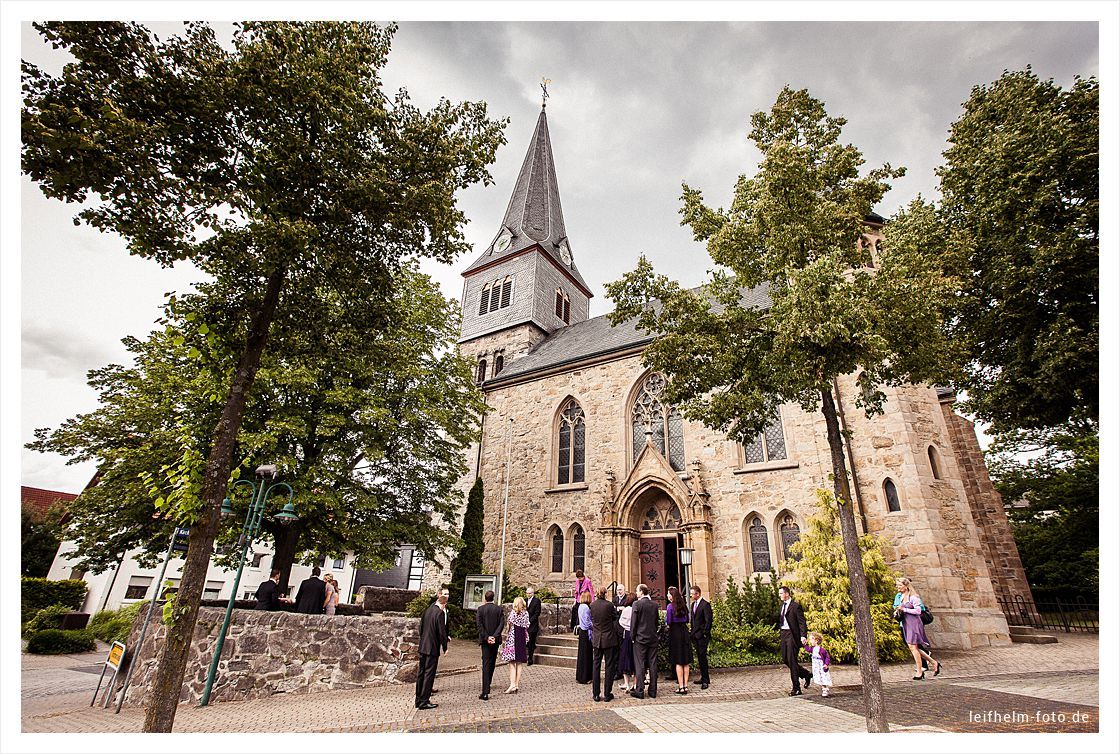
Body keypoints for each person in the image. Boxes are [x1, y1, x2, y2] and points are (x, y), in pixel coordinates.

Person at [895, 577, 942, 680]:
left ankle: (920, 671)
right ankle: (934, 663)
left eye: (899, 585)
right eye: (897, 585)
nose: (897, 587)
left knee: (914, 648)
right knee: (914, 648)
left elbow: (918, 611)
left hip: (914, 624)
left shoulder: (914, 597)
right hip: (906, 623)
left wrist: (905, 609)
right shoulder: (901, 596)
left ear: (906, 586)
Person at [415, 587, 449, 709]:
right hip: (432, 647)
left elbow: (421, 628)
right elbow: (441, 632)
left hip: (423, 645)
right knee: (429, 674)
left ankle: (418, 699)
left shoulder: (427, 611)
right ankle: (424, 701)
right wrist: (445, 647)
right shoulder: (439, 613)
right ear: (443, 603)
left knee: (421, 673)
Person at [777, 585, 813, 696]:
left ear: (787, 594)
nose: (780, 596)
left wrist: (803, 636)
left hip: (792, 635)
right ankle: (806, 674)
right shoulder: (782, 606)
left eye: (781, 593)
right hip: (784, 634)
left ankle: (796, 688)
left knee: (792, 660)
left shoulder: (795, 606)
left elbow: (802, 622)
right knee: (786, 659)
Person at [629, 583, 659, 699]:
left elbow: (634, 623)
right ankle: (653, 691)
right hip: (652, 638)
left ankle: (640, 690)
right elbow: (656, 622)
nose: (636, 593)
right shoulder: (654, 605)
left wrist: (632, 637)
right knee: (652, 664)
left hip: (640, 639)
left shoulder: (637, 604)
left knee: (640, 664)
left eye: (637, 591)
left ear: (642, 592)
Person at [589, 587, 620, 702]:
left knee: (596, 666)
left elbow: (592, 618)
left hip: (597, 638)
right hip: (608, 638)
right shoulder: (609, 605)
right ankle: (607, 693)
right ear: (605, 594)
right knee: (609, 666)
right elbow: (615, 617)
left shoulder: (592, 605)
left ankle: (596, 694)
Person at [476, 589, 503, 700]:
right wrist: (494, 636)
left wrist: (487, 637)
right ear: (493, 598)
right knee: (492, 662)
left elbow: (479, 625)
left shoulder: (480, 609)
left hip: (485, 641)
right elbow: (501, 624)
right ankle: (489, 683)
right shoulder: (498, 609)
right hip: (495, 640)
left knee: (486, 663)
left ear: (485, 598)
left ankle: (485, 691)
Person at [665, 586, 692, 694]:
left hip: (675, 633)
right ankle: (685, 686)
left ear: (672, 596)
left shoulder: (670, 607)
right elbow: (688, 619)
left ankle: (681, 686)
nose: (667, 596)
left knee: (678, 661)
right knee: (685, 661)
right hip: (684, 632)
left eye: (668, 594)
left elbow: (669, 621)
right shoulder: (684, 606)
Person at [502, 596, 530, 693]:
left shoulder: (513, 613)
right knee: (519, 662)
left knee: (512, 662)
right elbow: (527, 625)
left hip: (514, 637)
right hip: (522, 637)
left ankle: (512, 684)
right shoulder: (526, 613)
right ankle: (516, 684)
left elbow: (509, 625)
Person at [689, 585, 712, 689]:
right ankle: (703, 677)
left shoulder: (705, 605)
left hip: (702, 636)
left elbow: (708, 621)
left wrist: (704, 633)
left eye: (692, 593)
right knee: (699, 657)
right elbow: (693, 620)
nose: (691, 595)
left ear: (697, 594)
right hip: (695, 635)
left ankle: (706, 680)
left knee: (703, 657)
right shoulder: (693, 604)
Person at [802, 632, 834, 697]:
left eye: (811, 639)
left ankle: (825, 689)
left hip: (821, 666)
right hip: (816, 666)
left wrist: (826, 664)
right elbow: (808, 649)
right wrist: (805, 644)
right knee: (819, 677)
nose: (810, 641)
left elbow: (827, 657)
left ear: (816, 641)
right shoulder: (812, 648)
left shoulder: (821, 650)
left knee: (823, 677)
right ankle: (823, 688)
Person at [617, 594, 636, 692]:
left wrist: (626, 626)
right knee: (635, 658)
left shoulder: (626, 609)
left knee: (625, 658)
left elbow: (621, 622)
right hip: (635, 634)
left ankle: (627, 684)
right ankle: (635, 684)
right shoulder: (635, 609)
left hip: (627, 634)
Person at [575, 590, 594, 684]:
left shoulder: (580, 606)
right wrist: (594, 626)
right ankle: (586, 677)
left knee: (582, 654)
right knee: (587, 655)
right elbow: (587, 622)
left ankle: (580, 675)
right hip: (586, 632)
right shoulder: (586, 607)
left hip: (582, 632)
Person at [526, 587, 542, 666]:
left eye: (529, 593)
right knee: (527, 643)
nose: (528, 595)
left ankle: (530, 659)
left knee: (531, 642)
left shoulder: (537, 601)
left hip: (533, 625)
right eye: (527, 593)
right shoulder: (525, 601)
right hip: (525, 625)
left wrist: (530, 621)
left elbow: (537, 613)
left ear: (533, 593)